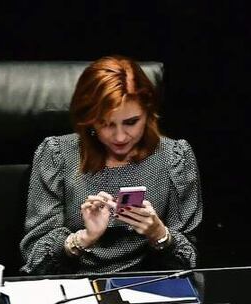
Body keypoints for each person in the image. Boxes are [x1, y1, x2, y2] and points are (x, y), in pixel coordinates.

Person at [20, 56, 202, 275]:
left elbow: (188, 262)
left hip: (146, 287)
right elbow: (35, 259)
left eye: (131, 122)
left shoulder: (175, 157)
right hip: (74, 289)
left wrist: (159, 234)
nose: (120, 137)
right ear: (90, 120)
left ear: (148, 113)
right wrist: (83, 238)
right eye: (106, 124)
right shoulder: (58, 154)